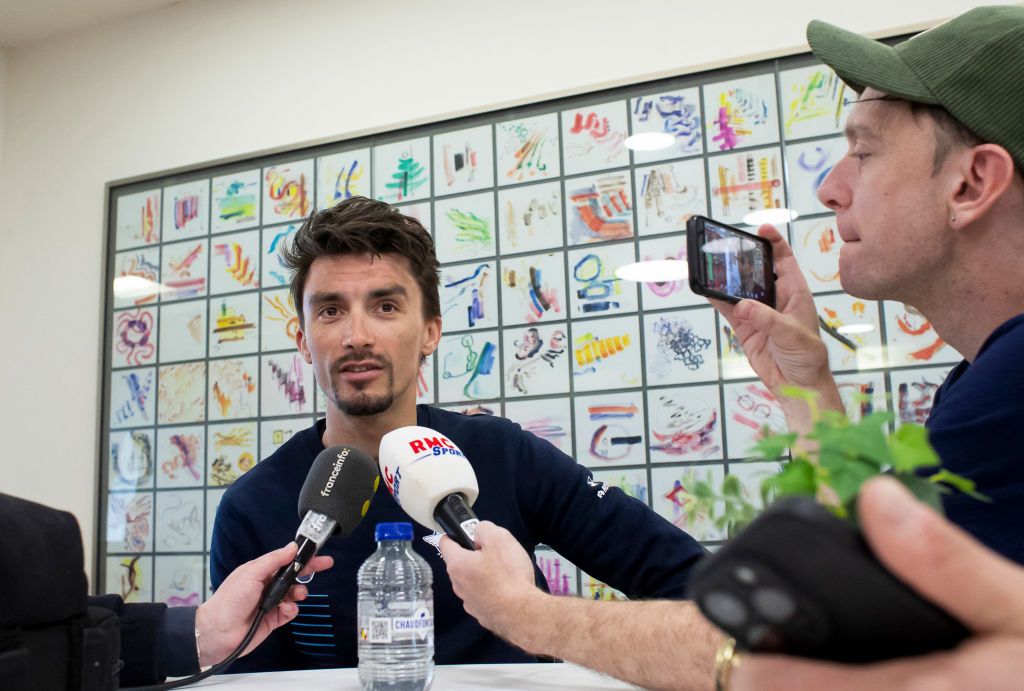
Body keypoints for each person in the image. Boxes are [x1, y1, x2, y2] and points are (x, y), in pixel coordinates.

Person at [440, 5, 1024, 688]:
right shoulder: (984, 378)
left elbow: (813, 642)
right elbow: (873, 574)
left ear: (972, 182)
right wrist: (805, 387)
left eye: (864, 151)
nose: (831, 187)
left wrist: (523, 612)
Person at [209, 196, 715, 674]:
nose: (356, 335)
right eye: (330, 310)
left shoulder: (503, 455)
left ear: (431, 330)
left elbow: (693, 584)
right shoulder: (252, 507)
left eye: (385, 307)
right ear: (302, 340)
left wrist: (545, 618)